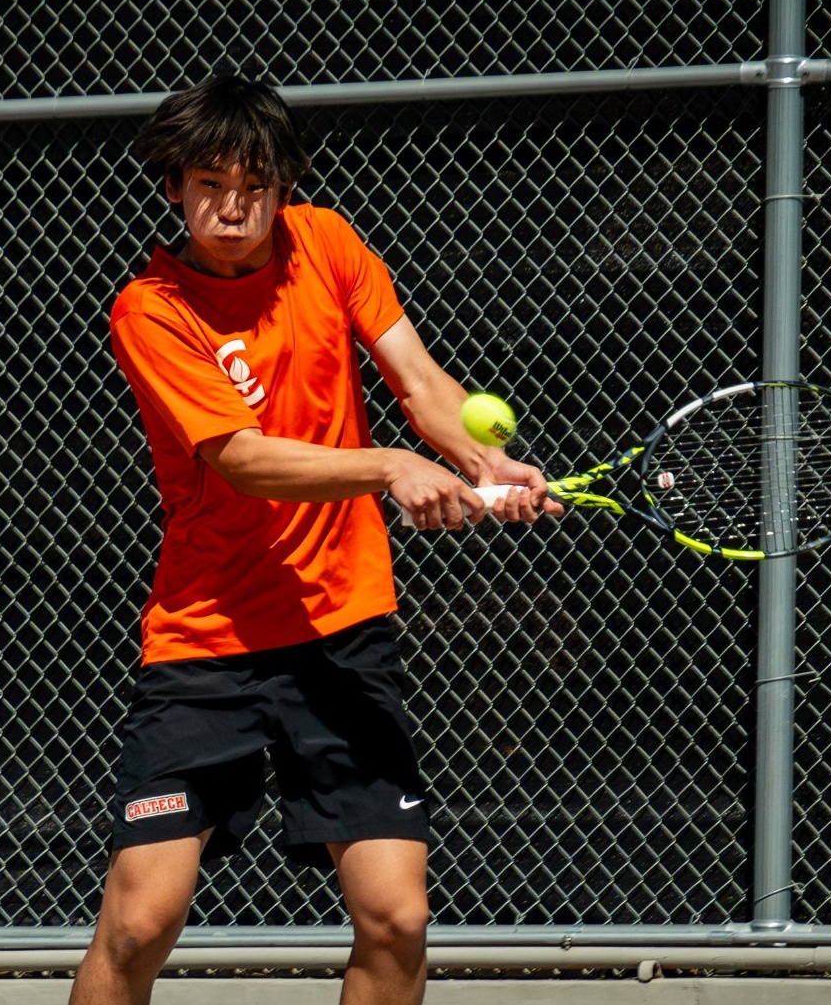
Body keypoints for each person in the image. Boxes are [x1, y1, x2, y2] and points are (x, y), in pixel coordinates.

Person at [68, 75, 559, 1005]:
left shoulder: (327, 243)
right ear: (173, 186)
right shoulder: (150, 309)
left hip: (342, 632)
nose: (232, 207)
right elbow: (243, 460)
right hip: (207, 642)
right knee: (137, 924)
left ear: (284, 186)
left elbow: (418, 379)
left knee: (397, 917)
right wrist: (391, 466)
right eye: (210, 183)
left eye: (255, 185)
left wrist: (485, 461)